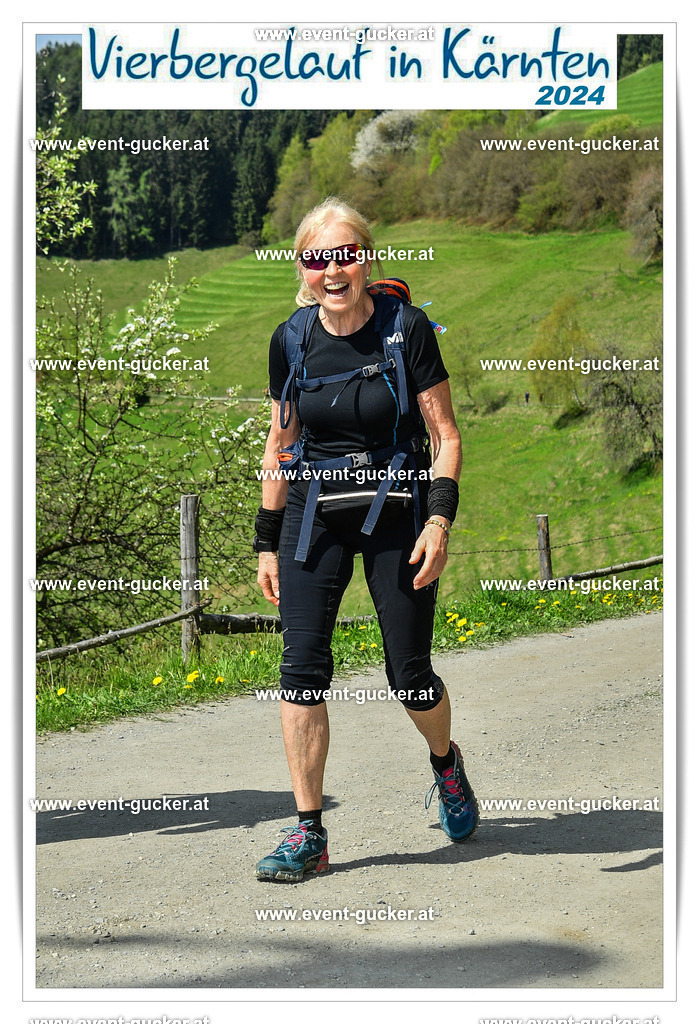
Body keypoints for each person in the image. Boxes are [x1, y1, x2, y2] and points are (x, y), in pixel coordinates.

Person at [253, 198, 478, 882]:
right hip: (314, 512)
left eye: (344, 256)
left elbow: (444, 436)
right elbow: (281, 443)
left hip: (397, 506)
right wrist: (265, 542)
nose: (331, 270)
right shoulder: (290, 340)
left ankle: (445, 765)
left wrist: (439, 521)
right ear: (301, 267)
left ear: (367, 258)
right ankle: (308, 832)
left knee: (409, 678)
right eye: (316, 259)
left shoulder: (405, 329)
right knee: (300, 669)